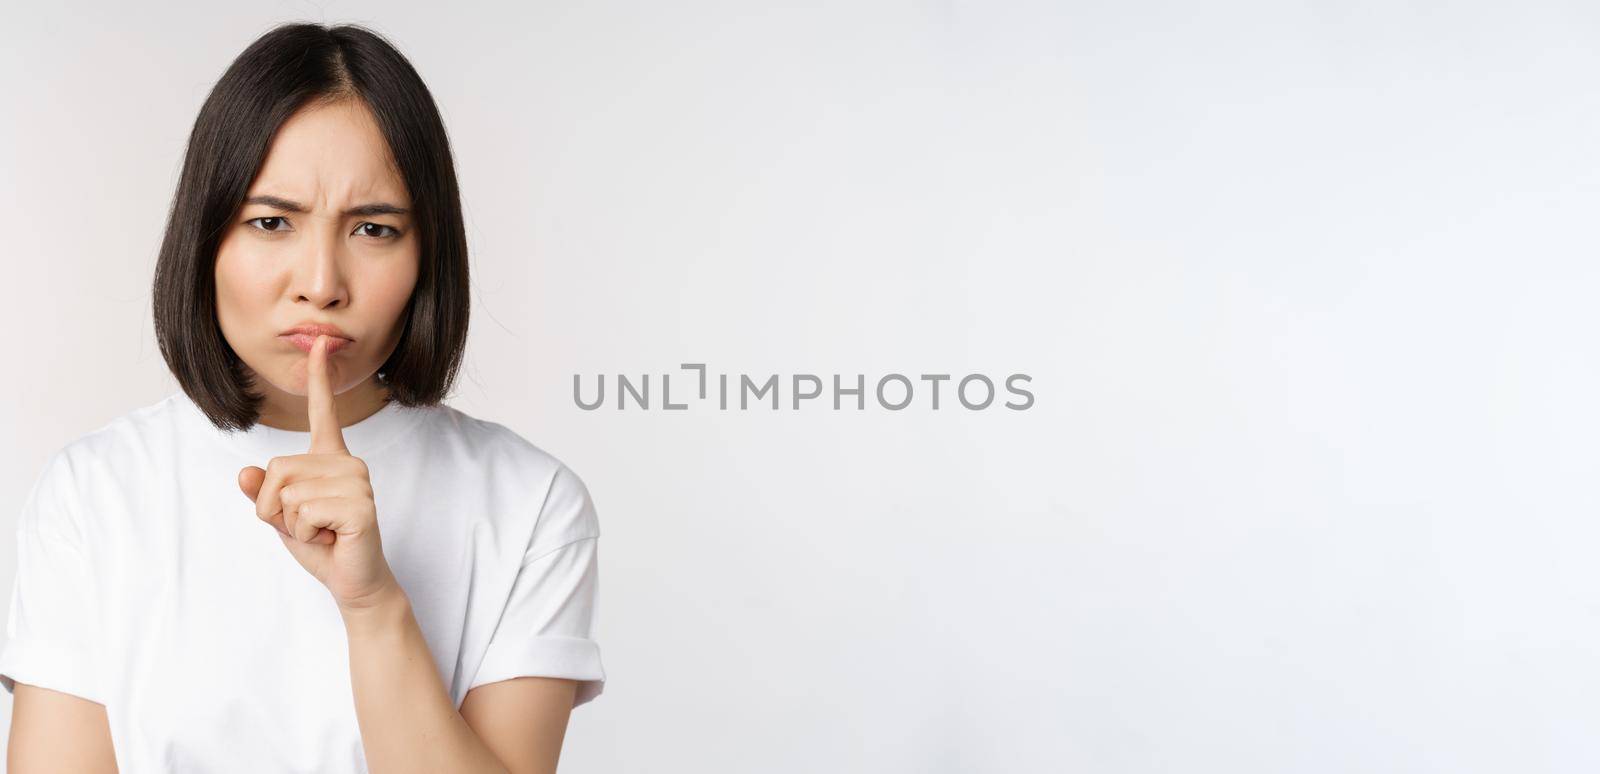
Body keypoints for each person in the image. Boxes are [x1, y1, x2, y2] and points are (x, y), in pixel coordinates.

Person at [0, 22, 606, 773]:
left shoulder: (531, 504)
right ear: (206, 239)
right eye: (272, 221)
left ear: (427, 255)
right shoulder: (94, 494)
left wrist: (373, 605)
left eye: (374, 229)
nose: (321, 282)